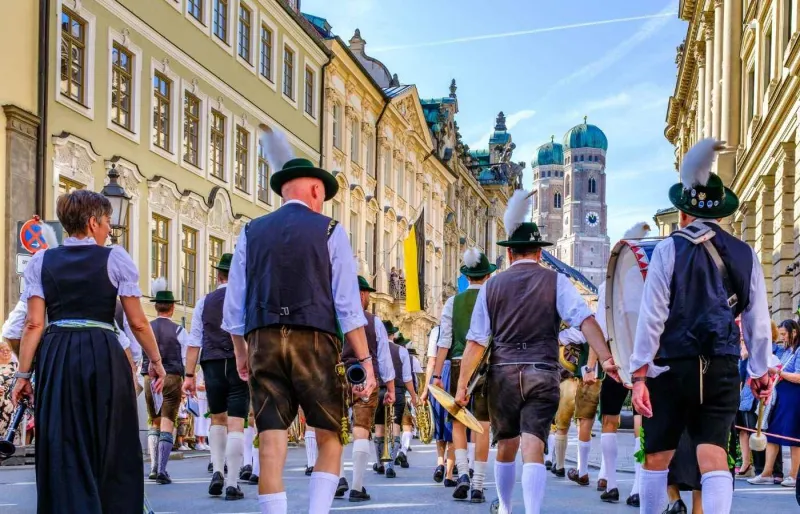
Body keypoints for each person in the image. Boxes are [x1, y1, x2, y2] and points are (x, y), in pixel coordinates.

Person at [223, 125, 376, 514]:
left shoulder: (251, 230)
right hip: (315, 341)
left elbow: (234, 305)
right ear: (314, 190)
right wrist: (366, 361)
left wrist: (242, 352)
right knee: (329, 436)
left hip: (263, 339)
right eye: (323, 194)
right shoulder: (329, 229)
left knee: (271, 441)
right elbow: (347, 305)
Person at [630, 138, 772, 514]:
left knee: (658, 455)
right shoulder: (745, 253)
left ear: (682, 213)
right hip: (722, 364)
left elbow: (652, 317)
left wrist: (639, 374)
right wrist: (760, 370)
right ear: (721, 215)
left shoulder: (667, 250)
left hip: (671, 364)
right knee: (713, 455)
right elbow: (758, 321)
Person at [456, 189, 618, 514]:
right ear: (539, 254)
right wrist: (607, 358)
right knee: (533, 445)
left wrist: (461, 385)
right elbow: (585, 320)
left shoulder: (491, 285)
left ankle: (504, 507)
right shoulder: (556, 281)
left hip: (503, 374)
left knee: (506, 445)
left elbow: (476, 340)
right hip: (543, 373)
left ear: (511, 254)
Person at [11, 190, 166, 514]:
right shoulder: (115, 258)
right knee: (112, 437)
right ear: (94, 222)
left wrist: (23, 376)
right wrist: (156, 361)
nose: (110, 229)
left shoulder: (41, 261)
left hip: (58, 354)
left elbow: (33, 325)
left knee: (63, 438)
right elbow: (137, 323)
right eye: (108, 222)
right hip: (102, 351)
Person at [184, 253, 251, 500]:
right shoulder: (245, 300)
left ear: (218, 275)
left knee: (217, 419)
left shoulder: (204, 302)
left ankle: (218, 471)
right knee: (236, 422)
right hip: (238, 362)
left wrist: (189, 375)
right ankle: (232, 482)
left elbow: (194, 341)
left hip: (211, 363)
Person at [433, 247, 496, 503]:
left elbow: (443, 342)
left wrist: (437, 375)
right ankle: (478, 485)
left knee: (458, 422)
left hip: (459, 364)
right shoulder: (493, 300)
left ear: (467, 276)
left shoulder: (452, 302)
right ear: (487, 276)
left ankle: (462, 474)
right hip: (488, 366)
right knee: (483, 426)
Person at [595, 222, 650, 506]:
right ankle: (638, 485)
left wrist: (602, 361)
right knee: (642, 420)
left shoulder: (608, 285)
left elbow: (602, 326)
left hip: (617, 358)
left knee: (609, 420)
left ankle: (612, 481)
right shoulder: (648, 277)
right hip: (645, 358)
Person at [340, 275, 396, 502]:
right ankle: (356, 486)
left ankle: (339, 479)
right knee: (361, 429)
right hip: (366, 376)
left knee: (336, 430)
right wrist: (390, 389)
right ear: (362, 295)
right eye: (368, 295)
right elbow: (384, 359)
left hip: (338, 376)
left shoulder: (334, 318)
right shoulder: (374, 322)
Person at [142, 278, 190, 485]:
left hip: (149, 377)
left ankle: (153, 468)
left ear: (155, 306)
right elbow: (187, 356)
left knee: (154, 420)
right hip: (171, 376)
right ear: (172, 308)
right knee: (168, 421)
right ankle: (162, 469)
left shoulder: (146, 328)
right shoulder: (179, 331)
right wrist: (189, 376)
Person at [748, 319, 800, 488]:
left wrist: (777, 372)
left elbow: (798, 376)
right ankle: (767, 472)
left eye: (784, 334)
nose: (782, 338)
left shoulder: (798, 350)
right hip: (781, 395)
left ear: (794, 332)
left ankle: (794, 475)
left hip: (794, 396)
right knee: (773, 433)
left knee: (793, 436)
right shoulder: (787, 350)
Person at [373, 332, 417, 478]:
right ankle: (390, 466)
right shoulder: (401, 350)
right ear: (392, 335)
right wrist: (414, 395)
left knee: (379, 427)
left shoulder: (374, 348)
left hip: (379, 390)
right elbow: (407, 378)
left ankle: (380, 464)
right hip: (397, 391)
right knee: (395, 427)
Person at [419, 324, 456, 484]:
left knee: (439, 422)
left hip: (437, 377)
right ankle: (449, 474)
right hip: (456, 374)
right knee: (455, 425)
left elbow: (432, 362)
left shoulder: (436, 331)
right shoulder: (463, 327)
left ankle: (440, 462)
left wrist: (426, 389)